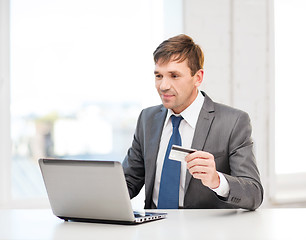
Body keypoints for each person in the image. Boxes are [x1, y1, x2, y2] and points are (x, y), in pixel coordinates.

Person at [122, 34, 263, 210]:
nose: (163, 85)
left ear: (198, 77)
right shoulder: (147, 119)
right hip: (153, 228)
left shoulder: (233, 122)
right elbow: (128, 181)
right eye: (158, 76)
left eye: (174, 75)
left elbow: (254, 194)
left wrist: (217, 180)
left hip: (206, 231)